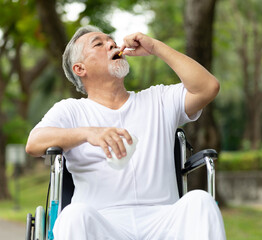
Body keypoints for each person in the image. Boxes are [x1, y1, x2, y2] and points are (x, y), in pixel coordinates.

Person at [26, 25, 225, 240]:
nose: (111, 44)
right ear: (80, 69)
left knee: (200, 201)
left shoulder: (158, 100)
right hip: (103, 223)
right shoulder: (71, 111)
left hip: (163, 220)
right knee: (74, 215)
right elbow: (34, 144)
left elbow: (208, 87)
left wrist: (155, 48)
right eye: (98, 44)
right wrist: (87, 133)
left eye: (110, 40)